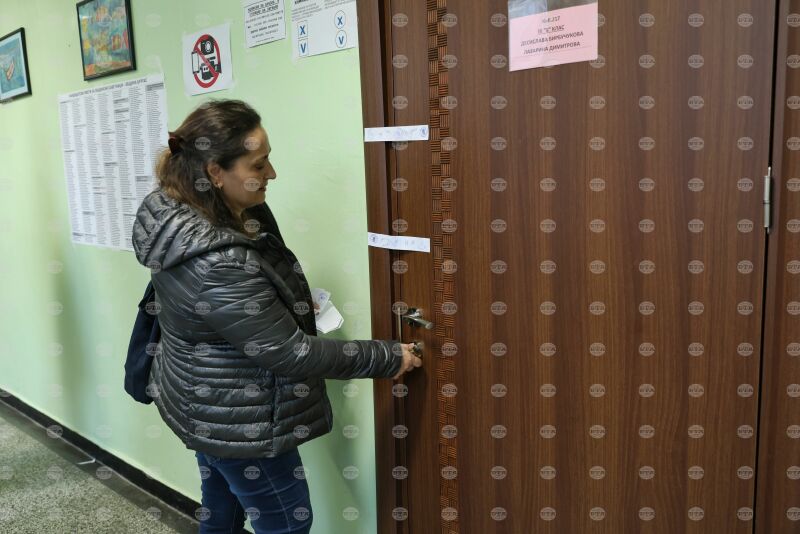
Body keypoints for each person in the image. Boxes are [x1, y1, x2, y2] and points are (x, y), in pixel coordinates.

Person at [131, 99, 422, 533]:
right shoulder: (217, 258)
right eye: (258, 164)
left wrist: (282, 304)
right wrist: (387, 357)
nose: (272, 173)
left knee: (222, 513)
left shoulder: (183, 208)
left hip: (204, 401)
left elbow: (242, 296)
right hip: (239, 418)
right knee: (287, 524)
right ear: (214, 172)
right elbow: (290, 353)